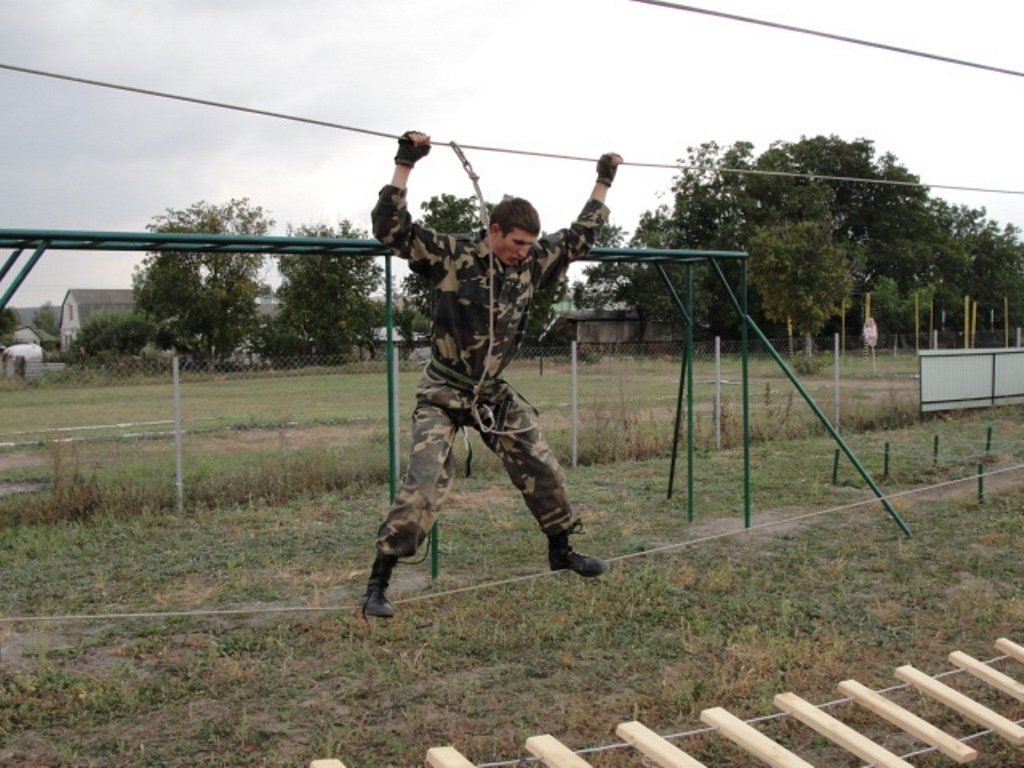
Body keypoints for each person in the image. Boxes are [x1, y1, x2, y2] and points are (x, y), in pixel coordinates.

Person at [360, 130, 623, 618]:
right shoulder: (453, 255)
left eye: (530, 245)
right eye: (517, 243)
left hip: (492, 396)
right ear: (494, 230)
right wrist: (405, 163)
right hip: (443, 392)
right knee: (423, 483)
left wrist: (604, 179)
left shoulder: (532, 263)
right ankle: (379, 583)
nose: (524, 251)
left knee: (542, 467)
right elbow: (390, 229)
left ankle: (560, 550)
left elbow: (580, 236)